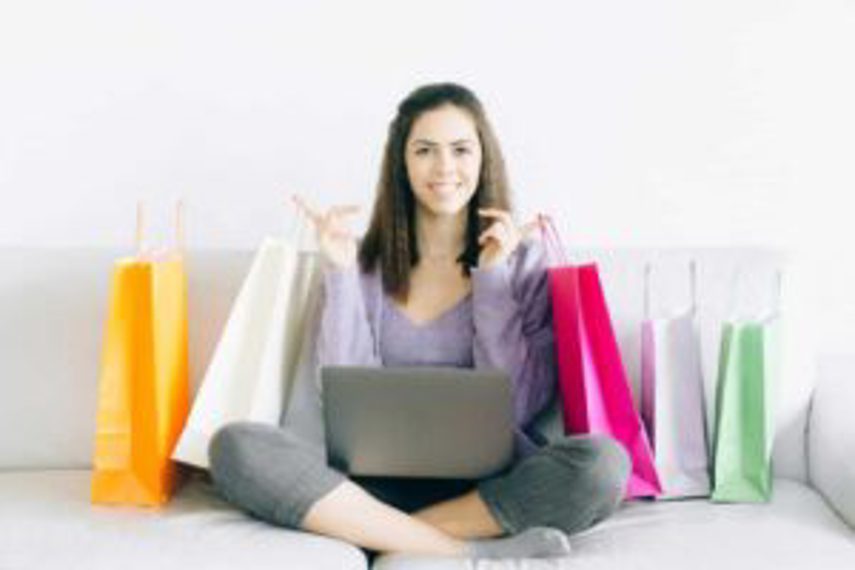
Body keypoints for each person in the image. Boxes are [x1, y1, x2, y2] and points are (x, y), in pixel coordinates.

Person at [208, 83, 630, 561]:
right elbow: (342, 393)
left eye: (460, 150)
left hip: (488, 490)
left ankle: (380, 534)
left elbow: (518, 406)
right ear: (402, 164)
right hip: (368, 485)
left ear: (483, 160)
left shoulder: (523, 264)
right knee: (235, 446)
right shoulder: (361, 265)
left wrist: (491, 277)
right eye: (425, 150)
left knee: (601, 465)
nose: (444, 167)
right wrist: (341, 274)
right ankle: (462, 550)